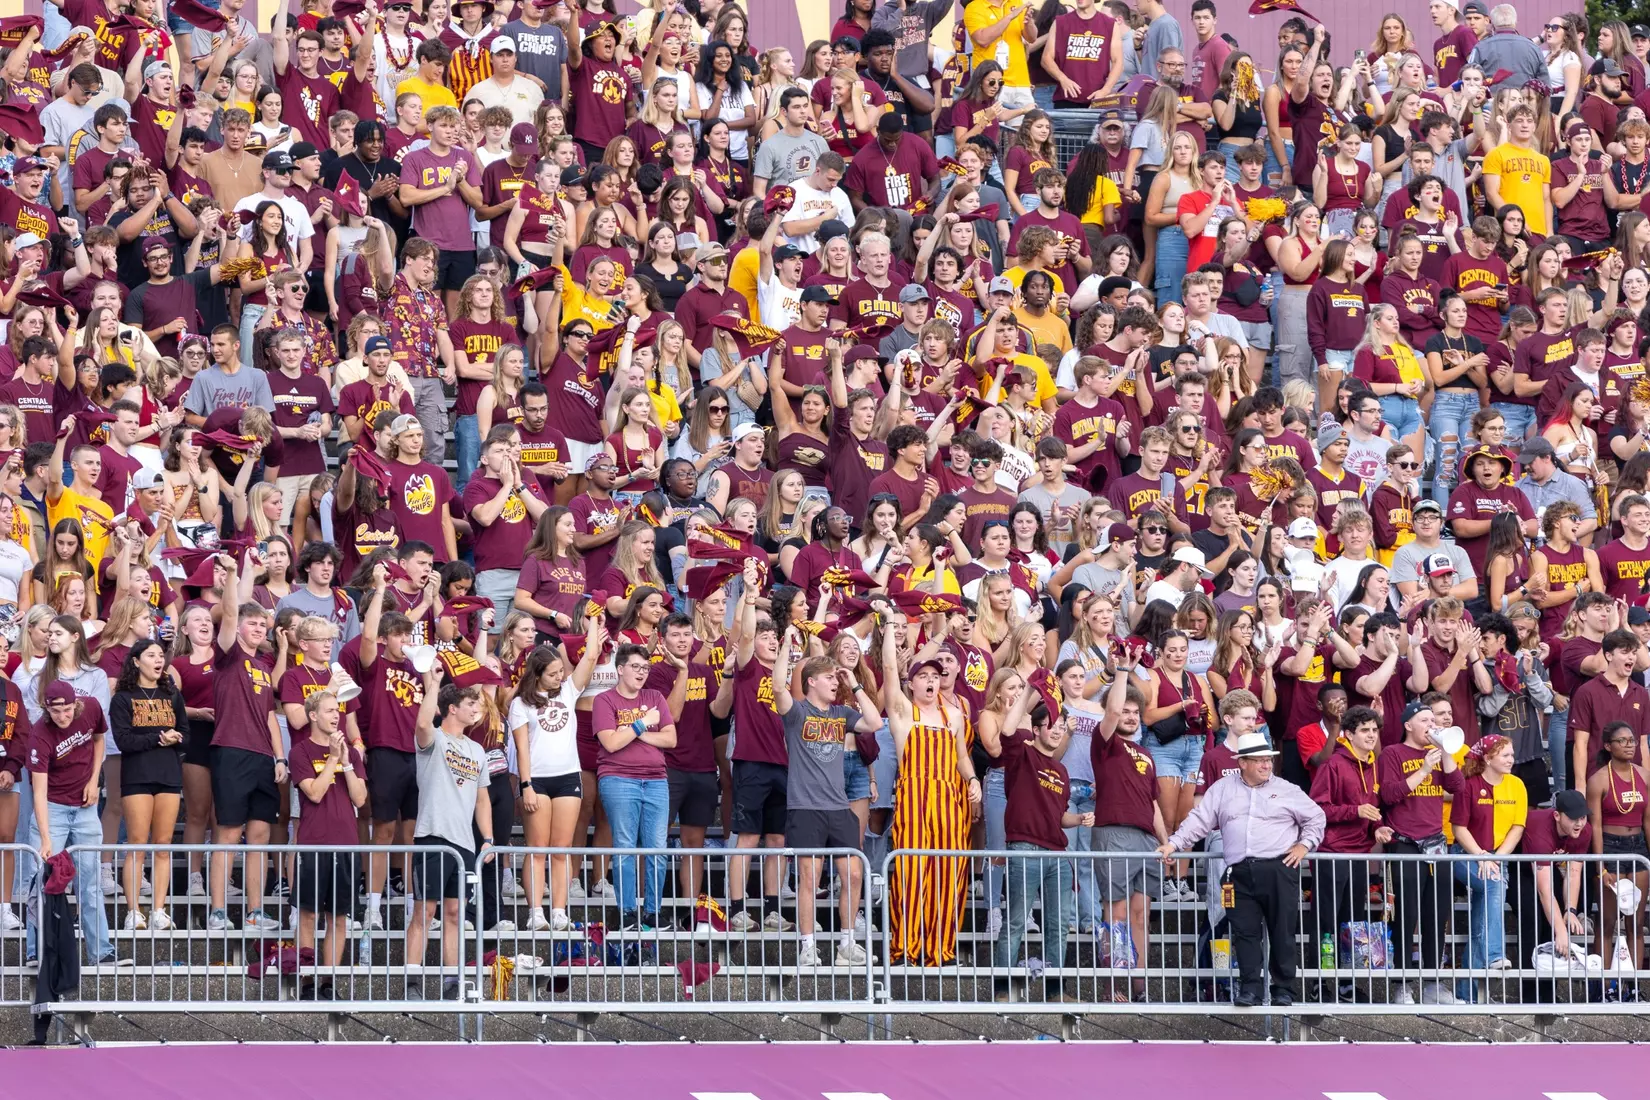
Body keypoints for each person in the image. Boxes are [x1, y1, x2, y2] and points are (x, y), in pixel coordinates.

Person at [1159, 728, 1324, 1007]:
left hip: (1279, 867)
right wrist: (1173, 844)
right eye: (1259, 760)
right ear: (1242, 763)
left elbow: (1316, 818)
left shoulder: (1286, 789)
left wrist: (1304, 846)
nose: (1266, 765)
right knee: (1245, 932)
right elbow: (1199, 820)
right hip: (1238, 871)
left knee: (1282, 930)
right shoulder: (1222, 789)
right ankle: (1251, 988)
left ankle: (1283, 988)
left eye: (1268, 760)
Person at [772, 630, 881, 966]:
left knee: (853, 875)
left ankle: (847, 944)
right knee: (809, 878)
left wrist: (856, 684)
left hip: (838, 806)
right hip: (805, 808)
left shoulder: (841, 714)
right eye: (829, 677)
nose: (835, 682)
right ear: (811, 682)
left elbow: (875, 722)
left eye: (837, 677)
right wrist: (787, 649)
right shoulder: (797, 712)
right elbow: (778, 687)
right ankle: (808, 946)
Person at [404, 664, 494, 1000]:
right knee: (424, 911)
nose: (477, 709)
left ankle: (453, 980)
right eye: (471, 704)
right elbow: (423, 724)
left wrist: (487, 838)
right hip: (433, 835)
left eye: (478, 704)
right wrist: (434, 685)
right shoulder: (436, 740)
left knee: (455, 913)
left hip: (464, 842)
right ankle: (412, 979)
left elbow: (482, 797)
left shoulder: (477, 750)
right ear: (452, 708)